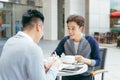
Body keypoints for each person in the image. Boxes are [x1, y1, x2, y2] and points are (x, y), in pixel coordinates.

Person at [0, 9, 60, 80]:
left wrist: (44, 66)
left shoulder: (9, 42)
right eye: (43, 29)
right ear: (38, 27)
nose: (42, 34)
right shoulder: (33, 49)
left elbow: (20, 72)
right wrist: (54, 67)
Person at [52, 14, 100, 80]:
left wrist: (84, 60)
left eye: (73, 28)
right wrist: (54, 58)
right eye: (68, 28)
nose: (70, 31)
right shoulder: (65, 40)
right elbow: (55, 53)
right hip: (67, 75)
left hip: (84, 76)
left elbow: (97, 61)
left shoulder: (91, 41)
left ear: (81, 28)